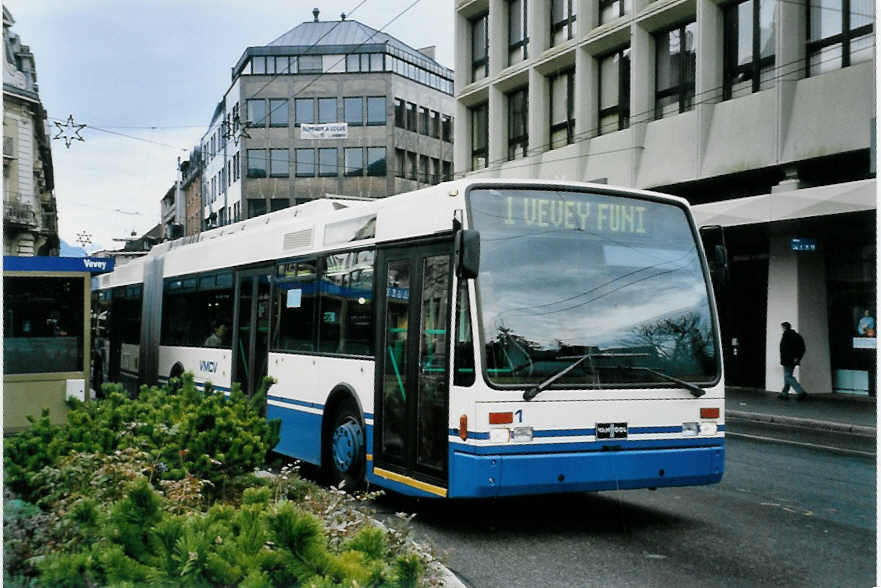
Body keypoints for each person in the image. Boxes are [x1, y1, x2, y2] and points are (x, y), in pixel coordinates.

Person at [778, 321, 807, 400]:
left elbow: (785, 349)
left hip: (787, 360)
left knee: (788, 376)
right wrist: (797, 357)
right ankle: (784, 393)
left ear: (784, 327)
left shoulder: (786, 336)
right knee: (787, 376)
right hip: (793, 359)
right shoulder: (797, 336)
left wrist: (793, 357)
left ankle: (801, 392)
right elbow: (802, 348)